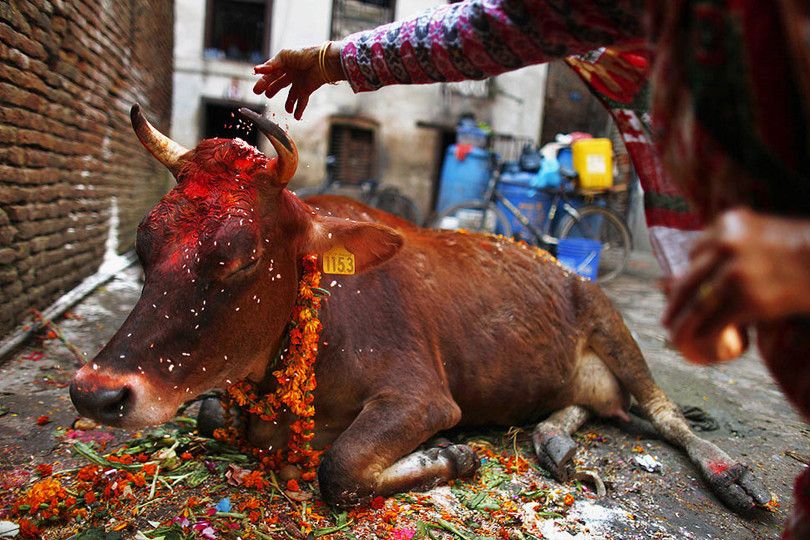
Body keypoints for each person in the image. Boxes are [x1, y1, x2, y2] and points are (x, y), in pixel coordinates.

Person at [253, 1, 810, 535]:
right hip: (753, 216)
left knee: (619, 340)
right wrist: (334, 60)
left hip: (756, 220)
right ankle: (566, 417)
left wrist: (335, 60)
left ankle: (680, 431)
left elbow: (494, 27)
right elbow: (496, 25)